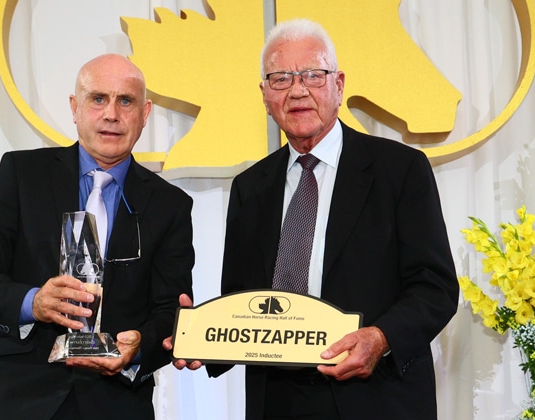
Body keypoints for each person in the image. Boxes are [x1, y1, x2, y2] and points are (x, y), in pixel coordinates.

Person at [166, 19, 458, 419]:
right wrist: (200, 339)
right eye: (281, 78)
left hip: (376, 397)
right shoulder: (250, 188)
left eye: (313, 75)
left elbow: (435, 286)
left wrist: (381, 337)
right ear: (265, 95)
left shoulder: (399, 169)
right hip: (278, 401)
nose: (298, 90)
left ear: (338, 85)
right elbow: (243, 301)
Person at [0, 54, 194, 420]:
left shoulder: (170, 205)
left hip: (117, 403)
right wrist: (33, 302)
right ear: (74, 108)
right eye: (98, 98)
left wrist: (140, 346)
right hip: (22, 399)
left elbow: (169, 310)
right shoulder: (21, 175)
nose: (111, 114)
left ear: (144, 114)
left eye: (125, 101)